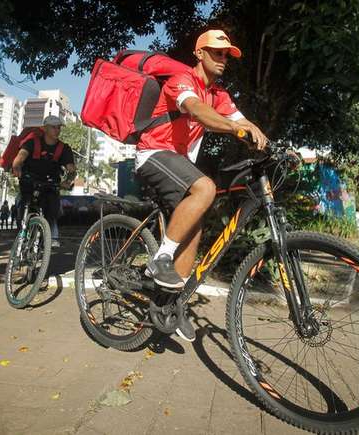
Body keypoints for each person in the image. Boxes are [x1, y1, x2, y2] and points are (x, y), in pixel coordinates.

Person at [135, 29, 268, 341]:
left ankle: (169, 305)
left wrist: (267, 142)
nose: (222, 59)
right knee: (205, 188)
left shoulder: (219, 94)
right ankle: (160, 259)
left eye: (226, 55)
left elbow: (244, 121)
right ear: (199, 53)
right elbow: (197, 110)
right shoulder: (181, 79)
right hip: (154, 154)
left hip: (178, 163)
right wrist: (234, 128)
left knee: (195, 230)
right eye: (216, 52)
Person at [11, 115, 76, 248]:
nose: (57, 130)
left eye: (59, 127)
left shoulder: (64, 148)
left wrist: (68, 180)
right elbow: (20, 157)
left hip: (50, 184)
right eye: (53, 127)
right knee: (23, 205)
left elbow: (71, 169)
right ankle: (22, 233)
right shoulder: (32, 142)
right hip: (30, 181)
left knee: (52, 210)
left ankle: (42, 241)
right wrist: (16, 167)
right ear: (45, 128)